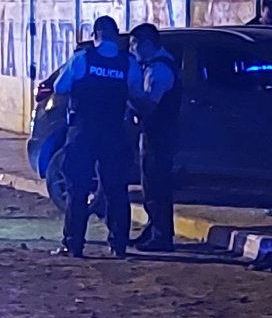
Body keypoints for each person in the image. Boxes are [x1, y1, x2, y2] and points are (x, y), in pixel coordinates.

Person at [52, 15, 144, 259]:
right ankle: (119, 245)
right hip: (114, 131)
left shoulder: (83, 59)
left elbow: (60, 87)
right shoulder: (129, 63)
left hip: (83, 131)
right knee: (116, 189)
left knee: (77, 188)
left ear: (96, 35)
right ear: (115, 35)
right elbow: (136, 93)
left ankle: (73, 244)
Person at [128, 23, 182, 252]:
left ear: (147, 44)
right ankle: (154, 230)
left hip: (159, 135)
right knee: (151, 185)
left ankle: (161, 236)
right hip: (156, 134)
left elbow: (150, 105)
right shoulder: (154, 66)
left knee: (157, 186)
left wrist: (128, 95)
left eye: (134, 43)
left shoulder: (159, 70)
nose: (132, 49)